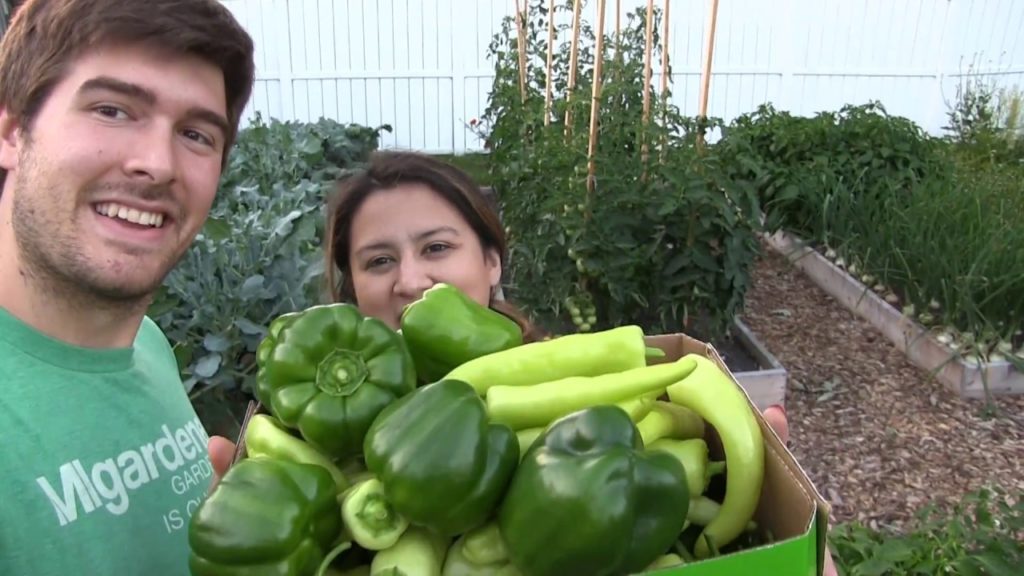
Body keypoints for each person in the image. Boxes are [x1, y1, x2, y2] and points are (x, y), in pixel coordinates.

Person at [320, 150, 839, 575]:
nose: (410, 281)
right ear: (351, 286)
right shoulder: (331, 428)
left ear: (492, 261)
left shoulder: (578, 382)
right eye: (379, 260)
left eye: (436, 247)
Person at [0, 0, 255, 574]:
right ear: (14, 130)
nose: (157, 164)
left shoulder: (146, 344)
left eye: (196, 134)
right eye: (113, 110)